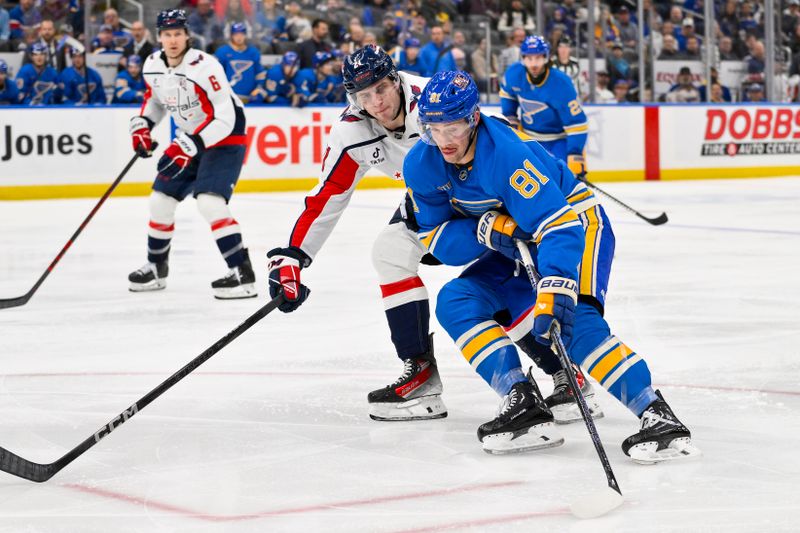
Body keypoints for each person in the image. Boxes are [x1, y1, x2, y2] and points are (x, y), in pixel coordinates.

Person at [405, 70, 699, 462]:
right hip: (519, 241)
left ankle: (656, 414)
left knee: (573, 321)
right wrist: (483, 231)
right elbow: (436, 238)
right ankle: (521, 399)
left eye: (453, 127)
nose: (443, 140)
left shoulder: (506, 154)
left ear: (473, 117)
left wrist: (557, 282)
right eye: (433, 128)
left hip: (575, 224)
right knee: (457, 300)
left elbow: (559, 224)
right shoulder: (421, 164)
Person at [265, 45, 446, 422]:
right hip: (429, 203)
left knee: (498, 278)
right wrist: (293, 257)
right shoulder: (351, 131)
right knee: (389, 252)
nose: (376, 102)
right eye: (364, 95)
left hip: (482, 198)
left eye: (381, 88)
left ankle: (563, 370)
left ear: (396, 79)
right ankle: (420, 374)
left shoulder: (433, 99)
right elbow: (327, 196)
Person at [127, 9, 256, 299]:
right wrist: (143, 124)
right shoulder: (151, 65)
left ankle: (242, 274)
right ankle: (156, 267)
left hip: (225, 138)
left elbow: (225, 117)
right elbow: (156, 101)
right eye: (167, 34)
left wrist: (191, 144)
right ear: (159, 37)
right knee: (160, 201)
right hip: (192, 139)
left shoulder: (205, 66)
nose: (173, 40)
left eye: (178, 34)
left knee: (210, 203)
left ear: (187, 35)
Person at [500, 36, 589, 181]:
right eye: (529, 58)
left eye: (538, 58)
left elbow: (577, 123)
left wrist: (575, 154)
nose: (534, 64)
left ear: (546, 58)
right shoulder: (514, 74)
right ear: (523, 58)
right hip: (528, 139)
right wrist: (511, 119)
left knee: (563, 185)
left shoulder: (561, 83)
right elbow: (507, 96)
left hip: (558, 140)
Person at [215, 22, 266, 104]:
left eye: (242, 34)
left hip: (249, 98)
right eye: (236, 34)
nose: (239, 37)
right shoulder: (222, 52)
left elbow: (260, 73)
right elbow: (216, 74)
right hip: (228, 98)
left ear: (245, 35)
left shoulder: (253, 52)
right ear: (231, 35)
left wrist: (259, 87)